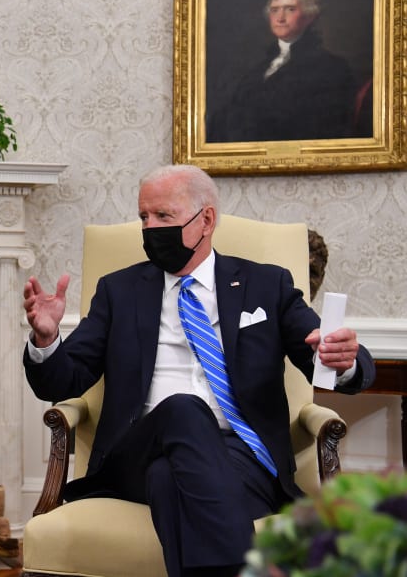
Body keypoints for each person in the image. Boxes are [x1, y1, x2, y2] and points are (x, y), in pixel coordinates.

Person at [22, 164, 375, 577]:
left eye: (163, 217)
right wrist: (46, 341)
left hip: (243, 456)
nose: (150, 228)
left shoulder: (266, 285)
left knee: (168, 479)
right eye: (143, 217)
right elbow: (63, 380)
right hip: (136, 451)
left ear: (205, 220)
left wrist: (344, 360)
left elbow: (324, 355)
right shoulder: (119, 291)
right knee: (184, 409)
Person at [207, 0, 360, 142]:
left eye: (290, 9)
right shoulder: (258, 68)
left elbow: (323, 127)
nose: (280, 18)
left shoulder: (332, 68)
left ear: (310, 16)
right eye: (274, 10)